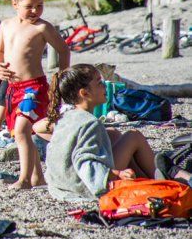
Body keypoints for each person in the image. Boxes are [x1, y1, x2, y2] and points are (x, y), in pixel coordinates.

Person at [0, 0, 70, 190]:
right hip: (12, 88)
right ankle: (37, 177)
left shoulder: (42, 28)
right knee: (25, 132)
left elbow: (63, 49)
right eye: (29, 7)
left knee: (23, 130)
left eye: (40, 6)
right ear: (15, 4)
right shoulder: (6, 26)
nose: (35, 11)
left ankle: (24, 179)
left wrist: (62, 77)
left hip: (33, 87)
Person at [45, 64, 156, 202]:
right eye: (99, 83)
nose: (104, 86)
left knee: (112, 133)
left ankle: (144, 179)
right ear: (84, 93)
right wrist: (116, 173)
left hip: (62, 183)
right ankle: (162, 178)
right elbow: (85, 160)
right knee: (133, 136)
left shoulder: (66, 117)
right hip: (85, 185)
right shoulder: (90, 123)